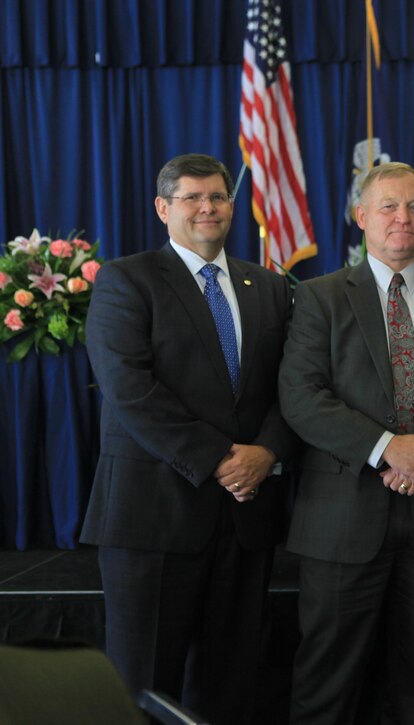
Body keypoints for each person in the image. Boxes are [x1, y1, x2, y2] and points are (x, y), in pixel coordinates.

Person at [279, 162, 414, 724]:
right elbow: (302, 398)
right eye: (388, 206)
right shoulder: (317, 298)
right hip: (340, 523)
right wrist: (387, 447)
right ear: (361, 217)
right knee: (326, 686)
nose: (403, 218)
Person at [81, 153, 297, 724]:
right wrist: (223, 459)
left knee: (232, 686)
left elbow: (294, 386)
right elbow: (129, 390)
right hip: (152, 520)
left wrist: (268, 451)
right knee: (144, 689)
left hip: (245, 521)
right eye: (192, 198)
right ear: (163, 208)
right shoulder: (127, 279)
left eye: (218, 197)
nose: (208, 208)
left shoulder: (269, 288)